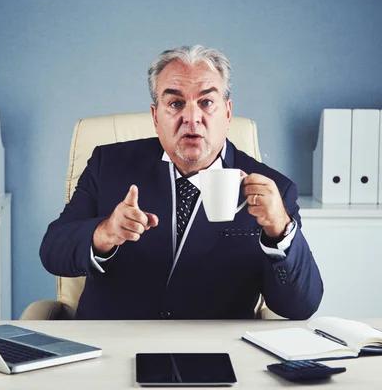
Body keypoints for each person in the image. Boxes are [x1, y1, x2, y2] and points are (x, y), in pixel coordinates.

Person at [40, 45, 323, 320]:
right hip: (114, 343)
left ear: (227, 113)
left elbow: (301, 307)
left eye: (206, 102)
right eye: (175, 103)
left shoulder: (273, 189)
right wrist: (104, 234)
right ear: (155, 116)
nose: (191, 117)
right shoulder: (109, 164)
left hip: (215, 350)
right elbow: (53, 252)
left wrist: (279, 230)